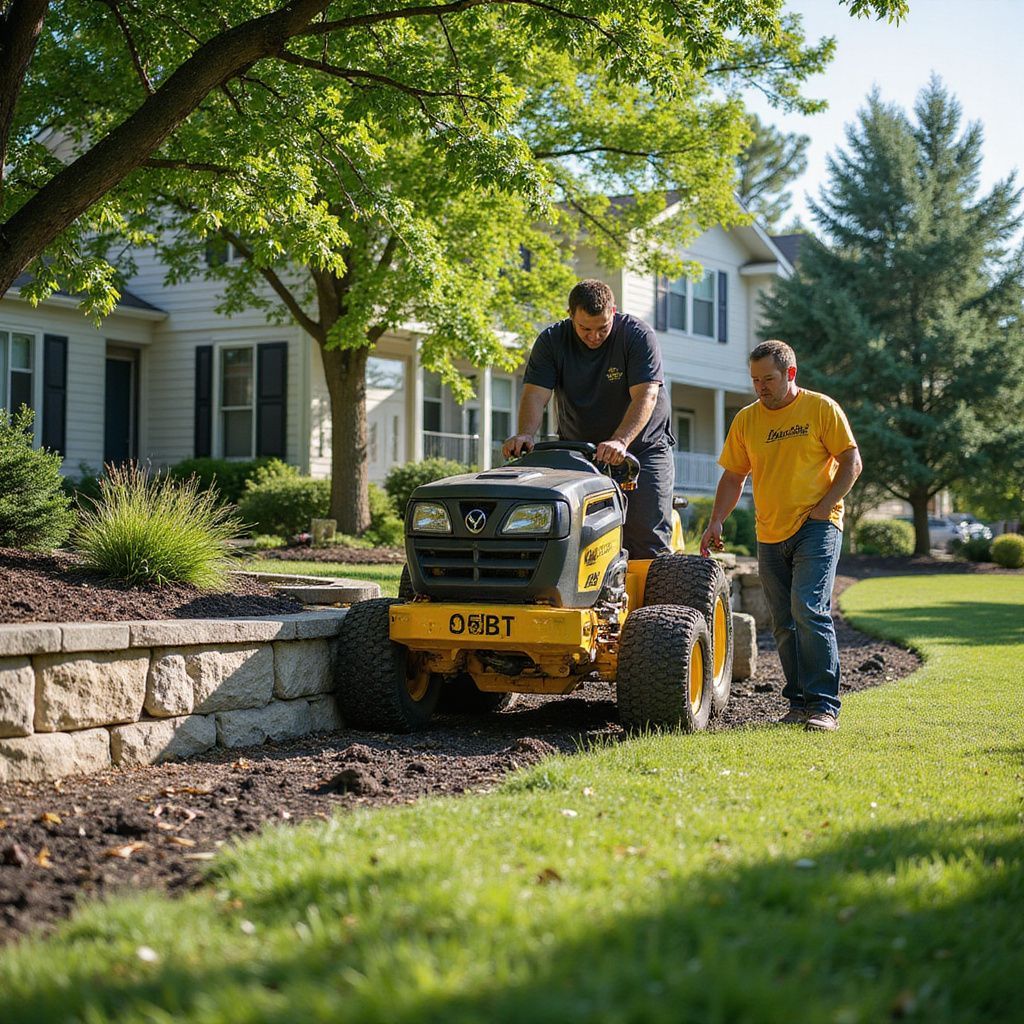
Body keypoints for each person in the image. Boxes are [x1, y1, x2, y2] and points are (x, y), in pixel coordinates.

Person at [700, 340, 862, 732]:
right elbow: (735, 475)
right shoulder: (747, 420)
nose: (761, 387)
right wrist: (716, 520)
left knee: (809, 607)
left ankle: (824, 705)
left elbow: (851, 462)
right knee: (784, 621)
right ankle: (799, 702)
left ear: (790, 373)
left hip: (817, 525)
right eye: (755, 380)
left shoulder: (820, 408)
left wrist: (825, 507)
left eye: (768, 379)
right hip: (769, 531)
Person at [502, 279, 675, 558]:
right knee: (569, 531)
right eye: (585, 329)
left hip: (641, 448)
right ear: (570, 315)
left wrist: (620, 441)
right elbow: (535, 394)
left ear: (613, 312)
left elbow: (646, 396)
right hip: (578, 451)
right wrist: (525, 434)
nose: (594, 336)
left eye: (602, 328)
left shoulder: (637, 336)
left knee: (645, 538)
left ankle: (656, 599)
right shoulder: (552, 341)